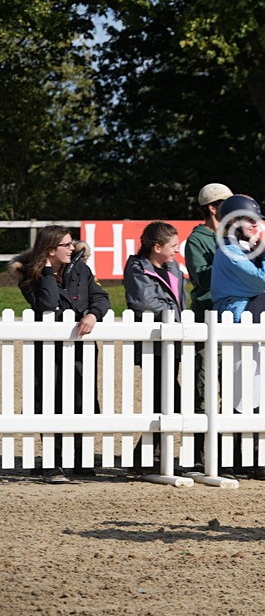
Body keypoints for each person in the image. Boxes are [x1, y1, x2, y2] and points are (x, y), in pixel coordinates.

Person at [10, 227, 111, 482]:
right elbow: (47, 306)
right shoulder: (29, 275)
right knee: (50, 400)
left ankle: (80, 457)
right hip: (49, 350)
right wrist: (45, 271)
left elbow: (101, 297)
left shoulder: (81, 269)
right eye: (66, 245)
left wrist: (92, 314)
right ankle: (52, 462)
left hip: (81, 348)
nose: (72, 248)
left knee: (83, 399)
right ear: (50, 250)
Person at [210, 194, 265, 481]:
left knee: (259, 393)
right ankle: (225, 458)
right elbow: (260, 281)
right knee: (237, 393)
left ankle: (255, 458)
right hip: (238, 327)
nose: (256, 227)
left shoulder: (249, 248)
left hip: (261, 325)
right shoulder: (227, 251)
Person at [123, 222, 187, 475]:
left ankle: (146, 458)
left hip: (171, 342)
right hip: (153, 343)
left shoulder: (172, 268)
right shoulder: (138, 269)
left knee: (167, 400)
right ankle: (147, 458)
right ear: (157, 246)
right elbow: (146, 302)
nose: (177, 250)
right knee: (167, 399)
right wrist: (176, 318)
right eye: (173, 246)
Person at [185, 182, 233, 468]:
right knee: (203, 387)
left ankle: (229, 452)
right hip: (207, 314)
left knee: (232, 387)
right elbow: (202, 280)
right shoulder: (198, 240)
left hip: (232, 318)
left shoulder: (235, 235)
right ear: (213, 208)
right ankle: (197, 454)